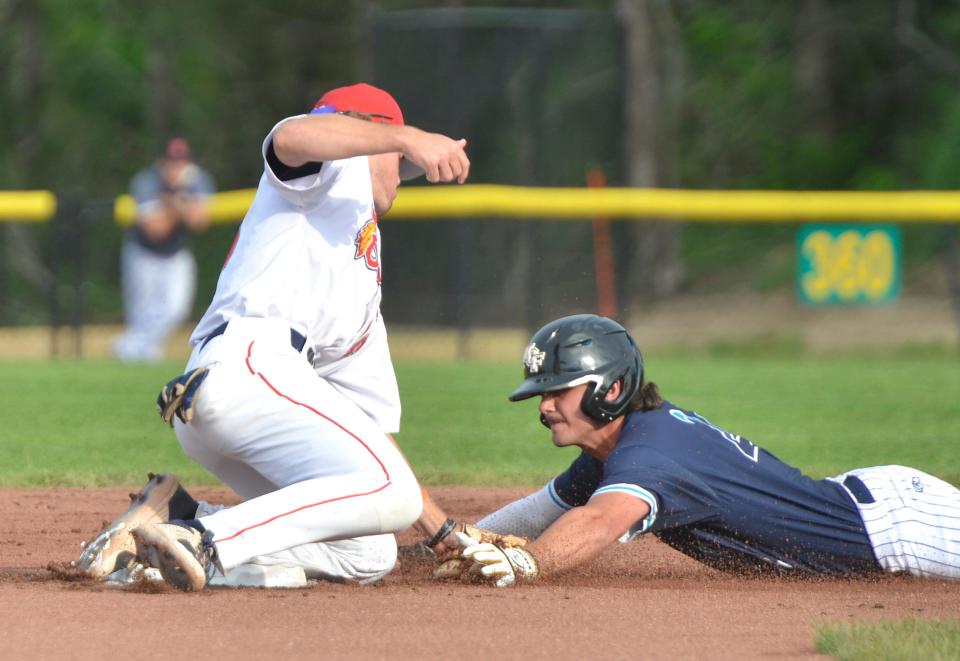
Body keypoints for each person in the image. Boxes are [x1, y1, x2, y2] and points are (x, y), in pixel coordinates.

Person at [80, 82, 474, 590]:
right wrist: (407, 135)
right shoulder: (327, 174)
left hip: (247, 394)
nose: (403, 175)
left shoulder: (359, 271)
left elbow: (373, 441)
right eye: (400, 159)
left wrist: (441, 532)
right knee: (392, 493)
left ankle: (171, 526)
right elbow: (292, 137)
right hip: (249, 362)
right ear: (374, 137)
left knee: (369, 550)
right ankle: (207, 539)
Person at [449, 313, 960, 587]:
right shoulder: (621, 447)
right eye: (542, 394)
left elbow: (598, 522)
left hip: (900, 528)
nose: (545, 407)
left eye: (559, 391)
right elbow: (541, 511)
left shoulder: (649, 457)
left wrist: (530, 563)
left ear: (609, 389)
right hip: (877, 508)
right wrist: (452, 541)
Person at [114, 137, 214, 362]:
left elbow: (199, 221)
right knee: (141, 313)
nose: (176, 167)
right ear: (161, 162)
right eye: (172, 161)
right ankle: (140, 352)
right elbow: (155, 229)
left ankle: (128, 346)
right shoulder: (146, 181)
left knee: (176, 308)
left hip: (176, 253)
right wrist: (180, 205)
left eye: (181, 161)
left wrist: (171, 204)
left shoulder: (198, 179)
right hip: (143, 254)